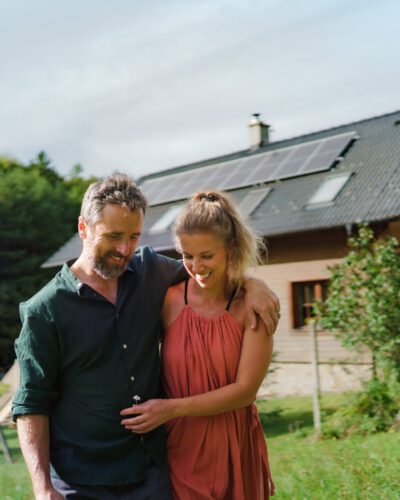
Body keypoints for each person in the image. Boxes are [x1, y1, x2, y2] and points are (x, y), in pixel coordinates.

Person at [12, 174, 280, 499]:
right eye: (113, 236)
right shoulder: (45, 310)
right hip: (79, 480)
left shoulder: (151, 272)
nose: (125, 250)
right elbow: (31, 403)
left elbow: (211, 270)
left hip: (150, 471)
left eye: (134, 236)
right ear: (84, 228)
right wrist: (42, 488)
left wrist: (254, 284)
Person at [121, 191, 275, 499]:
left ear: (230, 249)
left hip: (235, 444)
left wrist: (170, 408)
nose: (196, 266)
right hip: (181, 447)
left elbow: (245, 392)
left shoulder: (254, 308)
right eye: (187, 256)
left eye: (207, 255)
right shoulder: (169, 300)